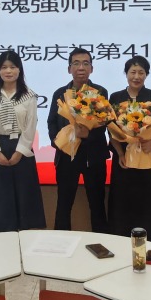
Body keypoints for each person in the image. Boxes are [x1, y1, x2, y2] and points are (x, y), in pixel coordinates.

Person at [47, 47, 110, 232]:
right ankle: (60, 242)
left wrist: (88, 135)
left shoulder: (100, 91)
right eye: (76, 63)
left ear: (92, 68)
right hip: (67, 156)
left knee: (97, 204)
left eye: (85, 63)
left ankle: (101, 241)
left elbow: (105, 122)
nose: (81, 67)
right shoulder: (60, 93)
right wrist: (58, 141)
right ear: (69, 69)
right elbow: (51, 122)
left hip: (94, 156)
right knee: (64, 204)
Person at [0, 50, 46, 232]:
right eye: (4, 67)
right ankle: (0, 237)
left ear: (19, 69)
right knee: (0, 197)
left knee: (24, 195)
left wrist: (20, 151)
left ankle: (25, 236)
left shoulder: (29, 96)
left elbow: (31, 125)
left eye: (12, 67)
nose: (8, 71)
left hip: (22, 148)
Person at [107, 56, 151, 242]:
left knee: (150, 200)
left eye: (141, 72)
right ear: (126, 73)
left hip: (149, 156)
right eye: (132, 72)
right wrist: (119, 153)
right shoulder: (116, 98)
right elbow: (111, 129)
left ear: (147, 74)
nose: (136, 76)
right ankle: (121, 238)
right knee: (124, 200)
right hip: (124, 159)